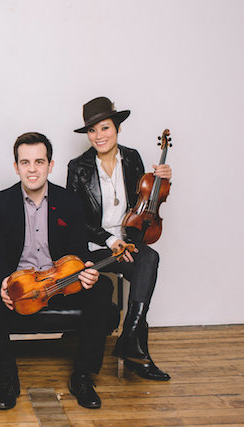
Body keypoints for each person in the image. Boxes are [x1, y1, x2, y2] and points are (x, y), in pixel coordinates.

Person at [0, 132, 114, 410]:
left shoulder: (69, 202)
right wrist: (5, 283)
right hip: (21, 287)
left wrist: (87, 270)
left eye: (39, 161)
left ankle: (82, 376)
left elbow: (79, 250)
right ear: (16, 167)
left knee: (103, 287)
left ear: (50, 165)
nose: (32, 169)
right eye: (25, 162)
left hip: (60, 285)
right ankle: (7, 380)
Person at [67, 96, 171, 381]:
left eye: (104, 128)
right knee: (144, 271)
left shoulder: (133, 158)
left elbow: (144, 202)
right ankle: (136, 352)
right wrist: (111, 242)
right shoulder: (78, 167)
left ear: (117, 129)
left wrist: (163, 178)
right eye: (92, 130)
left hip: (128, 242)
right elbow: (75, 220)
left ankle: (130, 337)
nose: (98, 136)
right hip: (96, 247)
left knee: (148, 259)